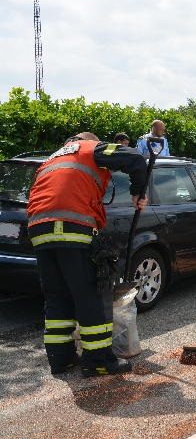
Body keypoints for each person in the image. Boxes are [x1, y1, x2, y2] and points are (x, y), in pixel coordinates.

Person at [27, 132, 148, 376]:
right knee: (90, 294)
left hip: (39, 230)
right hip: (71, 225)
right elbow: (135, 158)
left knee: (57, 296)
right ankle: (99, 362)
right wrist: (138, 192)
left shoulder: (49, 160)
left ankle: (61, 360)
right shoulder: (89, 148)